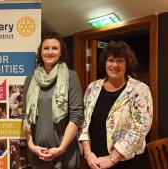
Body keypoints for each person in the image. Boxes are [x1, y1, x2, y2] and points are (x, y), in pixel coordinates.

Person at [79, 41, 153, 169]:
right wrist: (88, 153)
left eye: (120, 61)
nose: (114, 65)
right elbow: (83, 122)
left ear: (127, 64)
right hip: (94, 162)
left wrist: (113, 158)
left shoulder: (139, 90)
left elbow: (140, 129)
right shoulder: (93, 87)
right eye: (111, 60)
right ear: (105, 63)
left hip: (126, 163)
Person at [22, 32, 84, 169]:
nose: (50, 52)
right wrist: (31, 145)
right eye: (46, 48)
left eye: (55, 48)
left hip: (64, 153)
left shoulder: (71, 77)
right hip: (37, 152)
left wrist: (61, 149)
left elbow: (76, 116)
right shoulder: (30, 79)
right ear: (40, 52)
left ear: (61, 52)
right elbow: (25, 115)